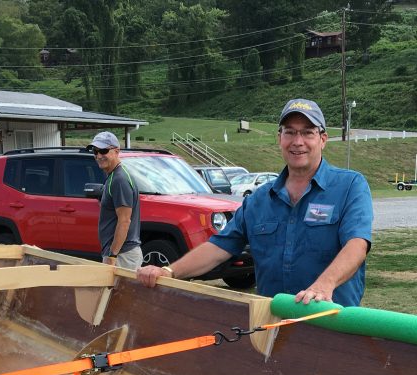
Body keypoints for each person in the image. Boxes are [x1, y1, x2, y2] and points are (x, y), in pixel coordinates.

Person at [137, 98, 372, 306]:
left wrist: (324, 285)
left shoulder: (350, 186)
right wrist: (169, 271)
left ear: (322, 139)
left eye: (308, 132)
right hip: (272, 326)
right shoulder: (259, 200)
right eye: (290, 132)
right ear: (279, 138)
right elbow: (219, 247)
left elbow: (357, 245)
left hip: (330, 322)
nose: (298, 141)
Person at [87, 131, 142, 270]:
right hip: (120, 254)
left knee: (120, 293)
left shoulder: (119, 180)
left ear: (116, 151)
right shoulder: (113, 177)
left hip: (122, 256)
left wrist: (112, 256)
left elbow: (124, 221)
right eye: (95, 151)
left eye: (104, 151)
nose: (99, 156)